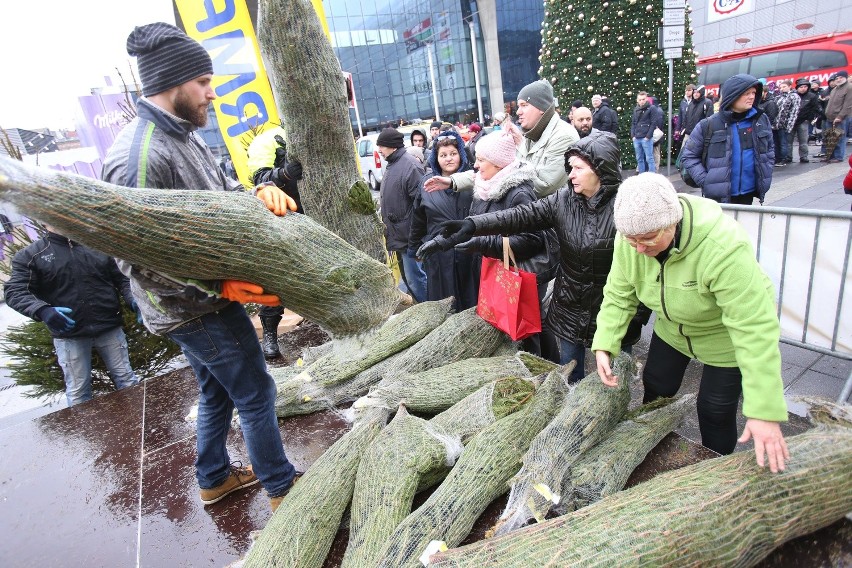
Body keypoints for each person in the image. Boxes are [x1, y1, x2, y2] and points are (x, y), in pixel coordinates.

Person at [101, 22, 300, 511]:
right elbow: (135, 259)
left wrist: (255, 192)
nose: (212, 94)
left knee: (216, 394)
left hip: (207, 300)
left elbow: (220, 194)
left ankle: (213, 478)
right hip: (198, 308)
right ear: (174, 84)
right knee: (255, 391)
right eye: (204, 83)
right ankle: (283, 490)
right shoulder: (140, 158)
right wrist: (218, 283)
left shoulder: (184, 135)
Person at [592, 173, 790, 472]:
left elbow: (754, 327)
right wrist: (605, 342)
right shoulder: (629, 239)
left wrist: (764, 409)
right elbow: (619, 293)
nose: (639, 249)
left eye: (648, 239)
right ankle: (648, 447)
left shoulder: (722, 245)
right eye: (632, 240)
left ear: (673, 221)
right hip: (672, 330)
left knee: (714, 410)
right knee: (656, 386)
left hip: (723, 339)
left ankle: (713, 470)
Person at [420, 131, 650, 378]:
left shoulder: (626, 208)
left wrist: (636, 317)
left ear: (600, 170)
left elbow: (646, 269)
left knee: (616, 382)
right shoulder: (563, 200)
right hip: (570, 310)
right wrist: (471, 226)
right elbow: (519, 216)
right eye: (569, 167)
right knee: (569, 380)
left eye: (577, 168)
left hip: (614, 314)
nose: (570, 174)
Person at [417, 130, 553, 354]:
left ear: (498, 164)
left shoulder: (519, 192)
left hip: (513, 278)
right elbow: (471, 228)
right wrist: (442, 242)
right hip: (491, 275)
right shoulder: (483, 187)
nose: (476, 166)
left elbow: (532, 240)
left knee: (526, 336)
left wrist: (484, 244)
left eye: (481, 160)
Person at [4, 227, 140, 407]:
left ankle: (139, 426)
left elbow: (123, 278)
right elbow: (15, 291)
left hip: (109, 327)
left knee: (126, 379)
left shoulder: (97, 246)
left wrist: (134, 300)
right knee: (78, 392)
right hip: (69, 336)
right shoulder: (31, 256)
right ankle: (83, 434)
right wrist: (44, 311)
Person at [424, 79, 579, 199]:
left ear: (541, 108)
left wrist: (498, 176)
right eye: (519, 106)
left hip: (554, 229)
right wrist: (453, 181)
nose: (518, 112)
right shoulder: (529, 135)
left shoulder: (564, 136)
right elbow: (496, 170)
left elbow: (544, 185)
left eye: (524, 105)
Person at [246, 125, 304, 359]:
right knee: (275, 283)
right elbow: (259, 179)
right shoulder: (269, 139)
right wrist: (284, 174)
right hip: (280, 219)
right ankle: (270, 334)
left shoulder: (313, 132)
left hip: (310, 218)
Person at [681, 74, 774, 205]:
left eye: (753, 92)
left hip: (748, 194)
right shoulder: (708, 125)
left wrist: (766, 173)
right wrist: (706, 181)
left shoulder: (761, 120)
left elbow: (769, 150)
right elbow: (689, 156)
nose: (752, 97)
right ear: (733, 95)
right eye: (747, 93)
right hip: (717, 199)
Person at [409, 129, 476, 310]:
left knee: (472, 302)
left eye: (453, 154)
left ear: (461, 155)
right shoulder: (426, 183)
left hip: (470, 254)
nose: (449, 158)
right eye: (443, 155)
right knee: (443, 304)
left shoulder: (474, 181)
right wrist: (414, 247)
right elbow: (418, 219)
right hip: (438, 256)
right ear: (436, 158)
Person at [375, 127, 427, 302]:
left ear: (392, 146)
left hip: (410, 237)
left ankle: (430, 308)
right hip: (400, 235)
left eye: (381, 146)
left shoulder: (410, 165)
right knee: (410, 278)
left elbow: (421, 205)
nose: (379, 151)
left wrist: (415, 237)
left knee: (416, 278)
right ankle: (422, 305)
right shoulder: (394, 163)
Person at [630, 91, 664, 173]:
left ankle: (651, 176)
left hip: (646, 138)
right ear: (637, 100)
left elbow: (653, 123)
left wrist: (648, 137)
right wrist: (633, 136)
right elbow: (633, 123)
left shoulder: (652, 108)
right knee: (639, 158)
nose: (642, 101)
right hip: (637, 137)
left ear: (646, 99)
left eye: (643, 99)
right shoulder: (636, 109)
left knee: (649, 158)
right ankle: (642, 176)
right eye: (640, 99)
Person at [823, 70, 851, 163]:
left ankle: (839, 157)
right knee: (830, 138)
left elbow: (848, 105)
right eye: (837, 78)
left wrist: (840, 116)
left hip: (840, 118)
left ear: (845, 78)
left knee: (839, 138)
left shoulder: (849, 88)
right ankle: (830, 156)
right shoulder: (835, 89)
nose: (838, 79)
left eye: (841, 78)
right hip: (829, 117)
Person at [792, 78, 822, 163]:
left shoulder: (811, 96)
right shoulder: (793, 95)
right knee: (788, 141)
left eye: (805, 86)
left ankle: (804, 156)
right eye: (801, 87)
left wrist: (810, 118)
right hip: (792, 121)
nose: (803, 88)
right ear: (797, 87)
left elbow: (816, 108)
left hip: (803, 121)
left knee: (803, 141)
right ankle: (788, 157)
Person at [770, 79, 799, 167]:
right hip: (775, 124)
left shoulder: (794, 96)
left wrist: (789, 126)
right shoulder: (778, 97)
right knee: (775, 143)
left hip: (784, 124)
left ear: (790, 86)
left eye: (784, 87)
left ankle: (784, 158)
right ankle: (777, 158)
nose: (782, 89)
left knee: (783, 143)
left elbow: (794, 112)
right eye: (781, 87)